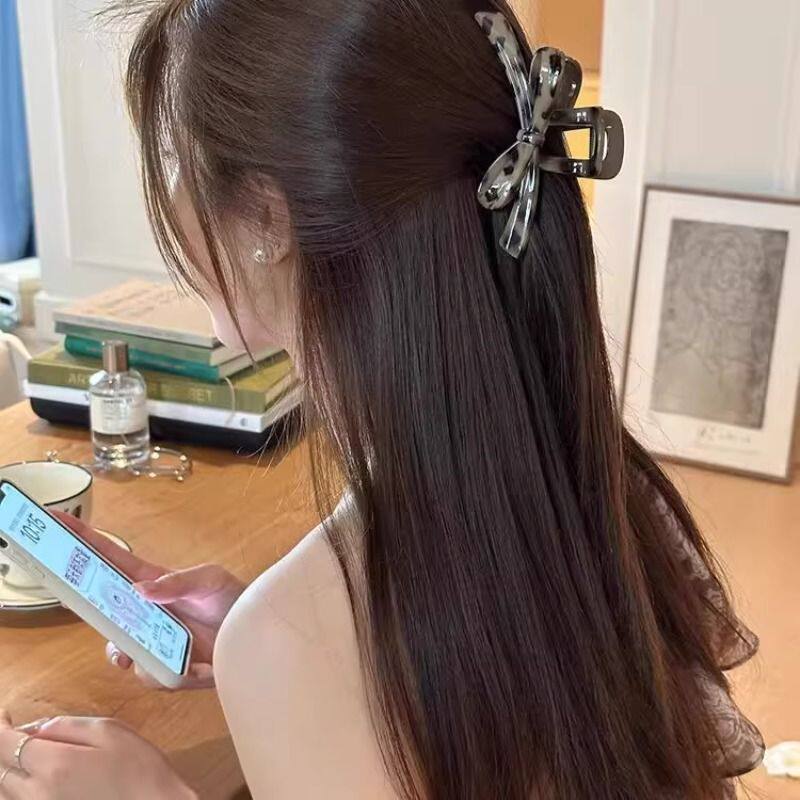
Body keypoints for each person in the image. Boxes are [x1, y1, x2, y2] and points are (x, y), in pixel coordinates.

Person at [0, 1, 764, 798]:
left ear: (266, 218)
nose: (173, 195)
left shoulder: (298, 637)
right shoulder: (616, 483)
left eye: (178, 160)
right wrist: (280, 646)